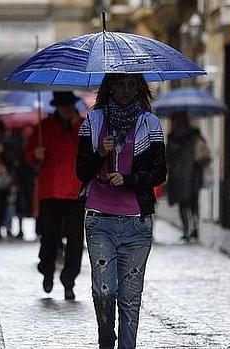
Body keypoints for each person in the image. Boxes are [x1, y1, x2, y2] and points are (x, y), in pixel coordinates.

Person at [77, 73, 166, 349]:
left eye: (131, 84)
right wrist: (100, 155)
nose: (126, 90)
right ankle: (106, 338)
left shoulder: (149, 124)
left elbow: (159, 172)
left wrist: (129, 180)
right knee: (104, 291)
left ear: (139, 87)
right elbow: (81, 172)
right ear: (109, 88)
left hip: (136, 223)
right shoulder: (92, 123)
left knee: (130, 297)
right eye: (119, 84)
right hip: (99, 220)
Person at [25, 91, 86, 300]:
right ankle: (47, 269)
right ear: (56, 107)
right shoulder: (44, 127)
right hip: (50, 191)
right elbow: (29, 156)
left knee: (76, 239)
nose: (67, 109)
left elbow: (92, 153)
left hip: (75, 191)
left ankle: (69, 279)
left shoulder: (83, 126)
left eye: (69, 105)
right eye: (62, 106)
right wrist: (36, 154)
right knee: (49, 237)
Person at [166, 111, 210, 241]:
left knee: (183, 205)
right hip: (194, 174)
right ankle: (195, 228)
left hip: (179, 177)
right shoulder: (195, 135)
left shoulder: (173, 137)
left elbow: (167, 157)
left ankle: (187, 230)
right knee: (194, 203)